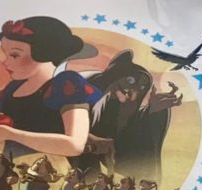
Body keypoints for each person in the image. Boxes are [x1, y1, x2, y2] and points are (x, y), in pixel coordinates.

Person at [0, 17, 103, 160]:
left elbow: (74, 146)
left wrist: (10, 134)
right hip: (18, 166)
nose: (5, 62)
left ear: (44, 53)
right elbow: (12, 145)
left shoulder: (65, 85)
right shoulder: (13, 89)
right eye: (6, 54)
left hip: (61, 168)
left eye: (14, 55)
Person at [72, 50, 182, 182]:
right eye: (130, 81)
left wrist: (154, 113)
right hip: (77, 148)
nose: (133, 92)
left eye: (141, 88)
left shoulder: (126, 113)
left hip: (105, 156)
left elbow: (127, 139)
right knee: (88, 172)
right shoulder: (84, 90)